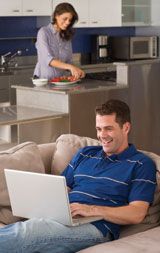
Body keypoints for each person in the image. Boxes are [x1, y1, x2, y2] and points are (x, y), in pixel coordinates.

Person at [0, 99, 156, 253]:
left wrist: (91, 210)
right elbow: (61, 188)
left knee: (27, 232)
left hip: (96, 227)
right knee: (28, 233)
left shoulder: (141, 164)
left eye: (108, 128)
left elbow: (137, 213)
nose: (102, 135)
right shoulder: (85, 154)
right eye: (99, 129)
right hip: (65, 217)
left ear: (126, 127)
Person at [33, 2, 85, 80]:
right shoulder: (43, 32)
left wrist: (76, 70)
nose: (68, 22)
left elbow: (68, 62)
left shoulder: (66, 36)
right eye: (65, 19)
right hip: (43, 81)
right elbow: (48, 60)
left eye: (70, 20)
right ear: (56, 16)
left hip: (59, 81)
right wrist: (70, 67)